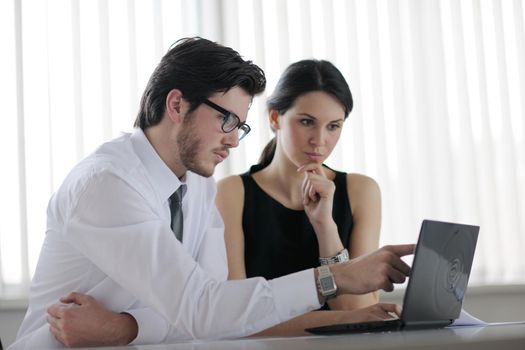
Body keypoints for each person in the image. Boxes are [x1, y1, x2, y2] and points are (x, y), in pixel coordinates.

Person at [10, 37, 413, 349]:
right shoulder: (108, 183)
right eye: (226, 120)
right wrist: (334, 278)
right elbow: (203, 309)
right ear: (176, 105)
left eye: (240, 126)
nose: (235, 141)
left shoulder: (198, 186)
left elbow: (219, 309)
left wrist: (124, 327)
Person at [216, 59, 392, 336]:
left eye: (333, 126)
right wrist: (345, 320)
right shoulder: (231, 193)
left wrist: (325, 227)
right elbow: (236, 319)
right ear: (275, 118)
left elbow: (359, 312)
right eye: (307, 122)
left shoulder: (361, 191)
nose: (319, 140)